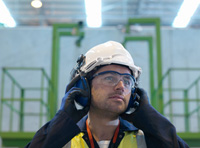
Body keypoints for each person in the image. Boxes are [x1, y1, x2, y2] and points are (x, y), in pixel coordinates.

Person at [25, 41, 189, 148]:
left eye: (127, 81)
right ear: (84, 86)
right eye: (110, 78)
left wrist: (151, 121)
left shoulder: (147, 139)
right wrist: (62, 123)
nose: (120, 87)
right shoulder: (63, 140)